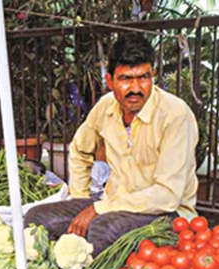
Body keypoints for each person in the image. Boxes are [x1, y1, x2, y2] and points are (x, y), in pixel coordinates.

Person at [26, 33, 199, 251]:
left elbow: (167, 196)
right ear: (110, 81)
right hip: (113, 205)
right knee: (37, 218)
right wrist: (79, 199)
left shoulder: (175, 115)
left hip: (167, 214)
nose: (135, 88)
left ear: (153, 75)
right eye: (126, 79)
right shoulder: (106, 106)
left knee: (102, 229)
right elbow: (79, 149)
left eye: (143, 77)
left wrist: (98, 209)